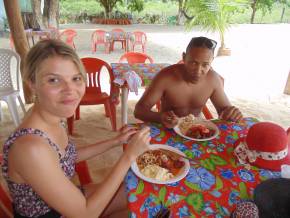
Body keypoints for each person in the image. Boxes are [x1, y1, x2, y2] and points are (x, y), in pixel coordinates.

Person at [1, 39, 150, 218]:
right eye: (54, 80)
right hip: (56, 213)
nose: (70, 89)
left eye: (76, 78)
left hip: (62, 200)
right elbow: (85, 214)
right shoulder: (31, 147)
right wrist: (128, 156)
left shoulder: (50, 116)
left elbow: (67, 156)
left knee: (137, 194)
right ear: (32, 83)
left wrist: (114, 141)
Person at [134, 36, 243, 128]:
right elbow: (139, 111)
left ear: (212, 61)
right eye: (194, 63)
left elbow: (224, 112)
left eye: (205, 64)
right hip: (167, 129)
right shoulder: (165, 77)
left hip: (196, 131)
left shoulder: (213, 80)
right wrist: (160, 117)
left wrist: (231, 114)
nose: (198, 70)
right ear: (184, 57)